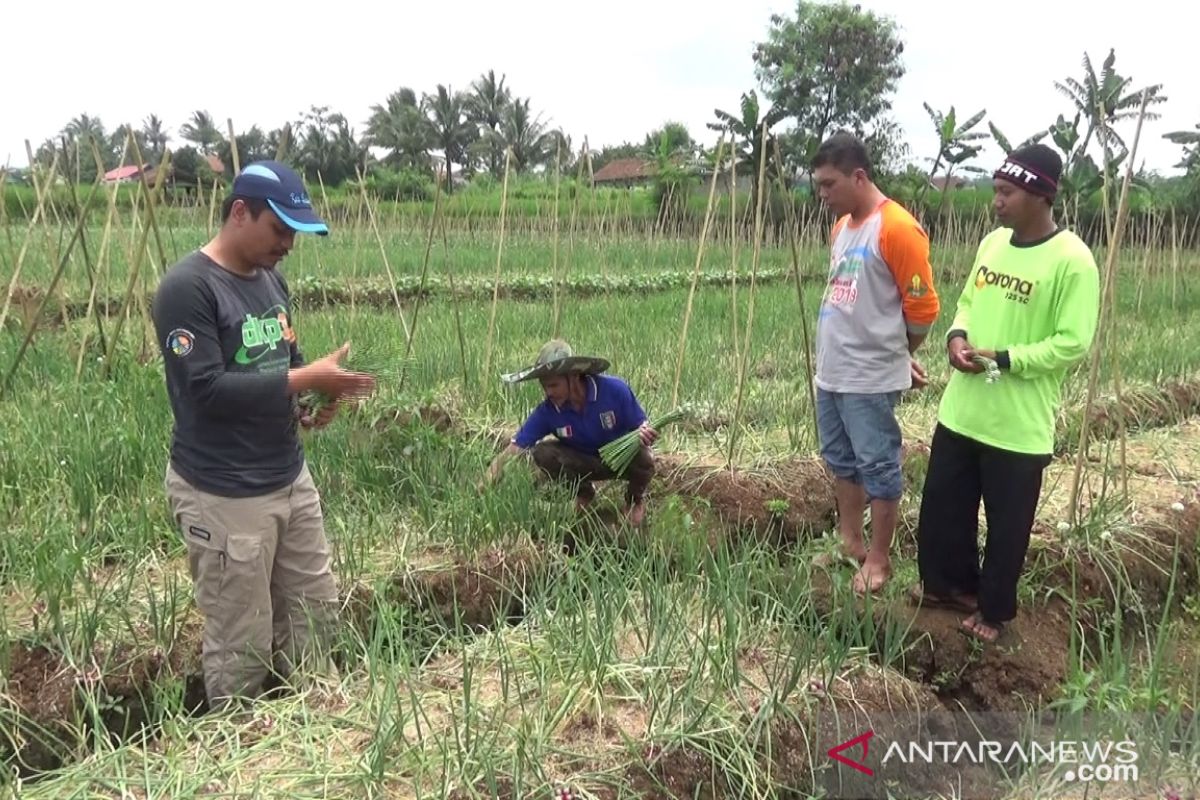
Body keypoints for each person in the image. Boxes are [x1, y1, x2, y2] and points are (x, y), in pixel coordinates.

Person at [151, 160, 376, 710]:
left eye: (294, 233)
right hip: (225, 492)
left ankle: (314, 736)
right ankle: (237, 754)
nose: (288, 244)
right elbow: (204, 390)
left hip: (288, 478)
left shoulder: (272, 280)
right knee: (241, 641)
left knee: (315, 618)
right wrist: (304, 377)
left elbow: (284, 358)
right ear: (238, 213)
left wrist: (310, 400)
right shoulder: (187, 289)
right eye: (279, 229)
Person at [912, 144, 1100, 644]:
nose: (996, 201)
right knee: (943, 508)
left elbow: (1072, 342)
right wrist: (957, 336)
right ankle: (949, 588)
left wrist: (1008, 358)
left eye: (1006, 192)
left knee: (1007, 524)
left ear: (1039, 195)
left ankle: (992, 612)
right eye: (996, 191)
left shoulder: (1073, 261)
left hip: (1017, 423)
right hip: (963, 409)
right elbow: (970, 301)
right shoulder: (993, 244)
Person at [810, 131, 941, 595]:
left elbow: (922, 310)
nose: (822, 195)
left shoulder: (897, 228)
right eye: (819, 186)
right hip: (832, 370)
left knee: (878, 464)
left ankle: (880, 559)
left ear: (858, 175)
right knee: (842, 461)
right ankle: (851, 541)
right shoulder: (841, 228)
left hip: (868, 376)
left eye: (829, 184)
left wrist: (900, 355)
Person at [484, 339, 659, 525]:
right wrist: (484, 485)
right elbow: (514, 448)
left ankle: (635, 501)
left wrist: (644, 433)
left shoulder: (614, 390)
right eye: (545, 387)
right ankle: (584, 493)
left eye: (554, 385)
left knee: (644, 456)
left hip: (620, 460)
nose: (548, 393)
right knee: (544, 453)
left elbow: (642, 424)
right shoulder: (548, 412)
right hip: (584, 462)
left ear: (574, 377)